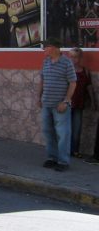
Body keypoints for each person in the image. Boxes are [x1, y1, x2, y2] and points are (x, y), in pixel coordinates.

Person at [38, 37, 76, 171]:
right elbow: (42, 81)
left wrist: (66, 101)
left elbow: (73, 83)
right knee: (48, 132)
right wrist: (39, 97)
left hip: (60, 105)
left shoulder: (67, 62)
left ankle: (63, 162)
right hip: (46, 103)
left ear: (54, 48)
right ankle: (52, 158)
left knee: (63, 134)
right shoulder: (46, 62)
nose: (44, 49)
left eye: (46, 46)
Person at [68, 47, 94, 158]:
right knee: (66, 129)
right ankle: (65, 149)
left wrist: (93, 101)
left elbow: (89, 87)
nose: (74, 59)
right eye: (72, 57)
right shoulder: (66, 71)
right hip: (67, 104)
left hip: (79, 104)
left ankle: (75, 150)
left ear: (80, 58)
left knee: (77, 129)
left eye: (76, 57)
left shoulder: (85, 71)